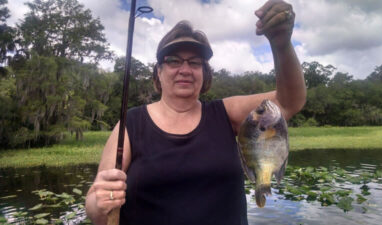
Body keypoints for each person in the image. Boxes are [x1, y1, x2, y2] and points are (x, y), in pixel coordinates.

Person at [85, 0, 306, 224]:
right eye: (173, 61)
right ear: (158, 72)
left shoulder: (225, 113)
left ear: (204, 73)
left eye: (195, 62)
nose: (185, 70)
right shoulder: (130, 124)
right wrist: (99, 202)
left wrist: (281, 45)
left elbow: (288, 103)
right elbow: (95, 208)